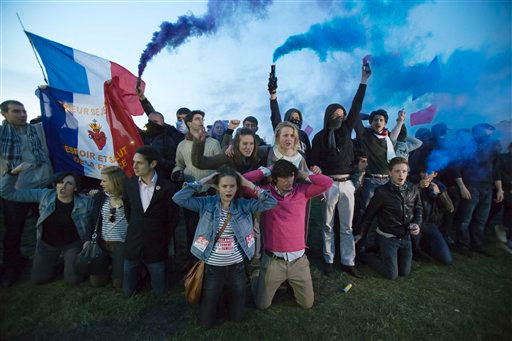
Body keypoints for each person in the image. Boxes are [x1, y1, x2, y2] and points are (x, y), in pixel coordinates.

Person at [172, 166, 276, 328]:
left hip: (237, 267)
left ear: (237, 187)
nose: (228, 190)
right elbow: (179, 198)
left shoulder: (244, 205)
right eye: (224, 186)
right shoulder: (206, 203)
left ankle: (230, 305)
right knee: (207, 318)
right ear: (217, 187)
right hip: (213, 266)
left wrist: (249, 184)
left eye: (232, 186)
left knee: (237, 316)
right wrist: (204, 181)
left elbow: (271, 202)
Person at [310, 61, 371, 278]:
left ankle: (348, 261)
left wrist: (363, 80)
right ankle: (328, 258)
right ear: (328, 116)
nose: (340, 117)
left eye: (342, 114)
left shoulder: (346, 131)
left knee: (347, 225)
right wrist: (314, 167)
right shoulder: (319, 137)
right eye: (335, 114)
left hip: (347, 183)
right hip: (328, 183)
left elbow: (356, 105)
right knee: (327, 224)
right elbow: (312, 161)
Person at [245, 160, 333, 309]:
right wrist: (266, 170)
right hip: (273, 261)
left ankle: (289, 283)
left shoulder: (302, 191)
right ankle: (256, 277)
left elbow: (327, 182)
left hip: (298, 261)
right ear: (274, 178)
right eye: (283, 177)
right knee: (262, 305)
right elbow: (243, 181)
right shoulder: (265, 193)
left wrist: (302, 174)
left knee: (307, 304)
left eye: (291, 176)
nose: (288, 181)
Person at [0, 165, 92, 285]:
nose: (63, 186)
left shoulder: (84, 201)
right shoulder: (45, 195)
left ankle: (70, 262)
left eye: (69, 183)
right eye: (60, 182)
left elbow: (104, 202)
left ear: (75, 188)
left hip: (72, 244)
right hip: (47, 244)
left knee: (73, 281)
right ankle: (63, 263)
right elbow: (7, 193)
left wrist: (96, 194)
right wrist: (12, 174)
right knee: (38, 280)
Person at [0, 100, 53, 287]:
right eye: (16, 111)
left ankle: (46, 262)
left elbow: (55, 116)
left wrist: (48, 95)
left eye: (24, 110)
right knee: (14, 230)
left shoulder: (36, 130)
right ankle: (11, 267)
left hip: (43, 185)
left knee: (47, 226)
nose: (22, 114)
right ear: (4, 114)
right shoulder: (2, 135)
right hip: (17, 190)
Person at [122, 146, 179, 296]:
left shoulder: (168, 188)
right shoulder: (129, 185)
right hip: (133, 244)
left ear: (152, 164)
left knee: (160, 292)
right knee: (128, 291)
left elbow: (172, 218)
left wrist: (162, 238)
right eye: (134, 162)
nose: (134, 166)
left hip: (156, 247)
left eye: (139, 163)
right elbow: (128, 210)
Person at [355, 157, 422, 280]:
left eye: (404, 171)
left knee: (405, 272)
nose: (401, 174)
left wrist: (417, 224)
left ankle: (384, 254)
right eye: (397, 171)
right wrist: (361, 234)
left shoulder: (413, 188)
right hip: (388, 238)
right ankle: (365, 255)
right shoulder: (381, 192)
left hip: (405, 238)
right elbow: (369, 215)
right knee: (391, 274)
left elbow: (418, 209)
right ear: (390, 173)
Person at [172, 111, 222, 265]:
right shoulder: (182, 145)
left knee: (211, 230)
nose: (201, 121)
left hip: (210, 194)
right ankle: (194, 265)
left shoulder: (213, 143)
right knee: (192, 230)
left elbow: (220, 166)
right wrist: (176, 173)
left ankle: (211, 263)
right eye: (197, 118)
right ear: (188, 123)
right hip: (191, 195)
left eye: (202, 119)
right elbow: (179, 164)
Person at [454, 123, 503, 256]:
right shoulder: (466, 147)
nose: (488, 135)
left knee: (481, 219)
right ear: (476, 133)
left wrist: (499, 189)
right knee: (465, 218)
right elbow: (456, 168)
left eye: (489, 133)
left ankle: (477, 244)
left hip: (488, 187)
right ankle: (462, 244)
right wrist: (462, 186)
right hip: (471, 186)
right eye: (486, 132)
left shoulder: (492, 148)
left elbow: (496, 169)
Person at [87, 166, 128, 288]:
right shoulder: (100, 197)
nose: (101, 183)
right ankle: (110, 267)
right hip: (102, 243)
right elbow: (92, 220)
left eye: (104, 181)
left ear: (115, 181)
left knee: (118, 284)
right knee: (97, 283)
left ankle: (120, 270)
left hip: (121, 243)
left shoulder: (129, 197)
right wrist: (88, 240)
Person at [355, 108, 404, 207]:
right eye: (375, 120)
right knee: (367, 209)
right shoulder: (365, 134)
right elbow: (355, 115)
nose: (378, 122)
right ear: (371, 122)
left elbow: (395, 135)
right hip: (371, 181)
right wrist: (369, 116)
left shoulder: (387, 137)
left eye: (381, 120)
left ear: (385, 123)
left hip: (387, 181)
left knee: (387, 210)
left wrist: (400, 120)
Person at [268, 70, 312, 164]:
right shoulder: (281, 129)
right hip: (284, 168)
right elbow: (275, 114)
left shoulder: (303, 135)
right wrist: (273, 94)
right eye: (292, 117)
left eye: (297, 118)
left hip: (302, 170)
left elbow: (310, 155)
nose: (295, 120)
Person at [414, 168, 454, 265]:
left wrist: (439, 194)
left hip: (430, 225)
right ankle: (418, 250)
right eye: (423, 172)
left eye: (429, 173)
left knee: (447, 260)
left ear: (435, 174)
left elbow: (450, 209)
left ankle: (425, 247)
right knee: (414, 251)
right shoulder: (412, 183)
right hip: (414, 223)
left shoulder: (439, 186)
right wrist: (418, 187)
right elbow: (403, 199)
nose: (426, 175)